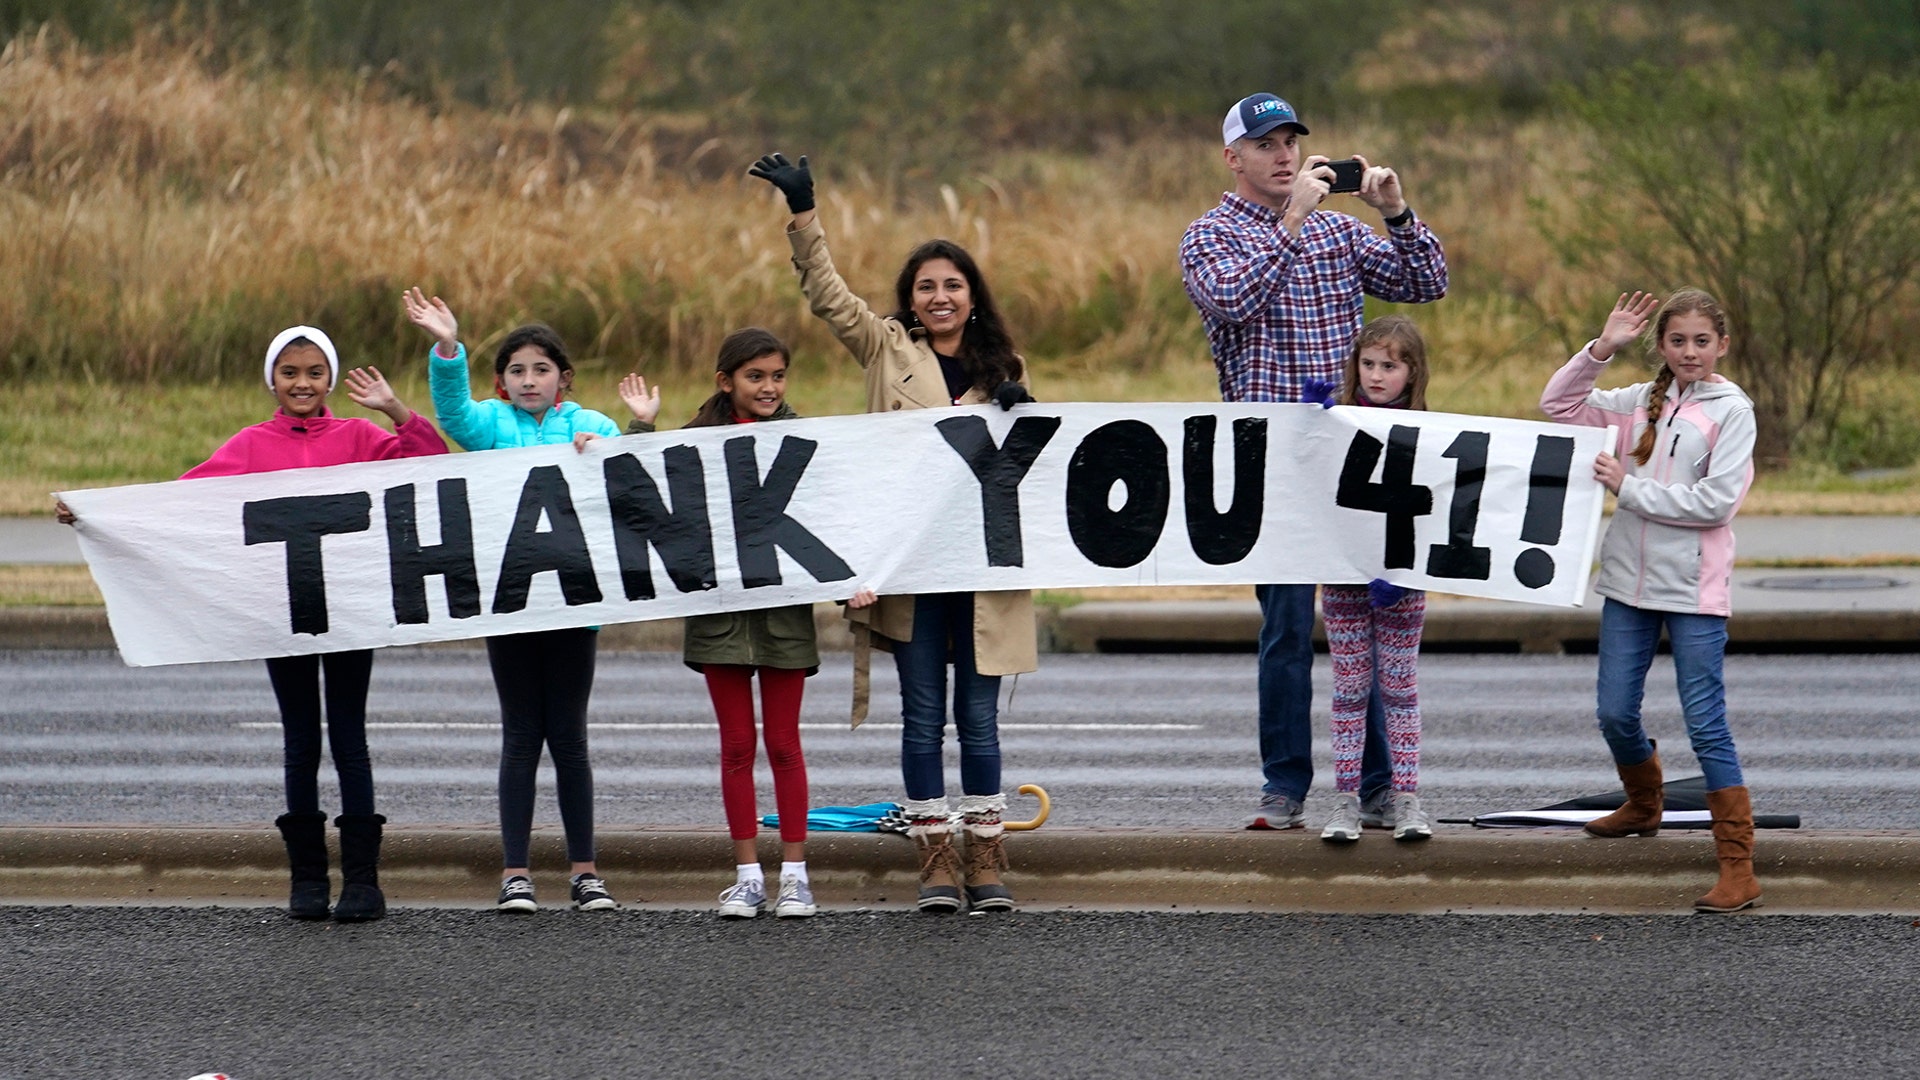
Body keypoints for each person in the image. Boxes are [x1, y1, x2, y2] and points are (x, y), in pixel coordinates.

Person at [59, 325, 448, 921]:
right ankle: (308, 878)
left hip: (351, 612)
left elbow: (432, 465)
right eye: (290, 373)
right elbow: (176, 503)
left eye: (315, 372)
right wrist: (96, 513)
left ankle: (364, 882)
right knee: (300, 741)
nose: (302, 383)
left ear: (331, 380)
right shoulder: (249, 445)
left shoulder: (360, 436)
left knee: (349, 737)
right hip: (281, 614)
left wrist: (396, 410)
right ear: (272, 379)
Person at [750, 150, 1036, 914]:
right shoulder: (886, 349)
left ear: (972, 297)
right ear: (910, 301)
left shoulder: (1004, 367)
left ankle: (986, 856)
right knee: (921, 716)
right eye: (926, 287)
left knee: (977, 719)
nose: (939, 297)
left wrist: (1023, 408)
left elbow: (1030, 470)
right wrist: (804, 214)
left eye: (952, 285)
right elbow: (827, 296)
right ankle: (935, 857)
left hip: (976, 571)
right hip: (911, 569)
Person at [1179, 92, 1449, 833]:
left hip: (1349, 461)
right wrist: (1291, 220)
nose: (1284, 155)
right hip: (1267, 464)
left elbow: (1427, 283)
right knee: (1288, 629)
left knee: (1364, 624)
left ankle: (1377, 788)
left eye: (1291, 141)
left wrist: (1395, 212)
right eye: (1265, 145)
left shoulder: (1340, 230)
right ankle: (1284, 783)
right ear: (1234, 157)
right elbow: (1232, 302)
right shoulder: (1209, 237)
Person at [632, 327, 878, 919]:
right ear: (726, 382)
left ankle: (795, 876)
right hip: (718, 616)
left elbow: (836, 514)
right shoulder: (695, 443)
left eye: (777, 376)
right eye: (755, 377)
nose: (768, 387)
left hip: (784, 614)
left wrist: (854, 582)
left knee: (785, 745)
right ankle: (747, 877)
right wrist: (639, 429)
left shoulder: (802, 440)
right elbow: (638, 492)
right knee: (738, 746)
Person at [404, 287, 630, 913]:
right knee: (521, 736)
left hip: (575, 607)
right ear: (502, 383)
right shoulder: (492, 426)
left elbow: (636, 478)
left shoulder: (592, 425)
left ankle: (585, 871)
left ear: (564, 378)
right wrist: (449, 346)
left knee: (571, 739)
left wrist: (607, 451)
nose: (530, 380)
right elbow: (452, 412)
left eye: (541, 369)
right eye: (517, 371)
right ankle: (516, 873)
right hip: (508, 604)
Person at [1540, 289, 1762, 912]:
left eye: (1701, 341)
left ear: (1721, 345)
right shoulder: (1637, 400)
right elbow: (1558, 405)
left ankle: (1738, 867)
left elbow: (1716, 504)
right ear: (1661, 345)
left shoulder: (1733, 411)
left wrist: (1628, 488)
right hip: (1626, 583)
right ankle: (1644, 804)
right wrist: (1602, 347)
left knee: (1706, 723)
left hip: (1693, 589)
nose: (1689, 352)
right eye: (1677, 340)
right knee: (1614, 713)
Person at [1304, 317, 1433, 843]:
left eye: (1391, 366)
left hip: (1401, 581)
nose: (1377, 376)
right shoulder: (1336, 423)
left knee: (1399, 689)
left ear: (1412, 372)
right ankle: (1345, 801)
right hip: (1342, 579)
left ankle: (1407, 797)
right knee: (1349, 690)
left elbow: (1438, 510)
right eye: (1369, 364)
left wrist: (1406, 571)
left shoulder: (1432, 431)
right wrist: (1308, 423)